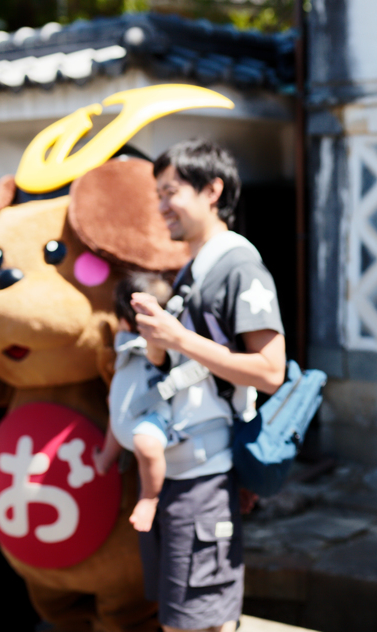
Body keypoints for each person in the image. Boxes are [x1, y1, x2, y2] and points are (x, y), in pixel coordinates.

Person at [132, 139, 286, 632]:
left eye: (170, 191)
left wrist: (177, 337)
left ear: (212, 189)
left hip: (204, 476)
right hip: (182, 469)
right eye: (158, 193)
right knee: (182, 617)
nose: (161, 206)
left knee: (197, 621)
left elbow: (268, 370)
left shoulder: (238, 266)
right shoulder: (192, 269)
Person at [93, 272, 181, 532]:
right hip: (124, 411)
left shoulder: (156, 343)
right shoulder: (124, 341)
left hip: (151, 416)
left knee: (146, 445)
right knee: (115, 408)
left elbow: (161, 357)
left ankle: (149, 497)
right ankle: (107, 456)